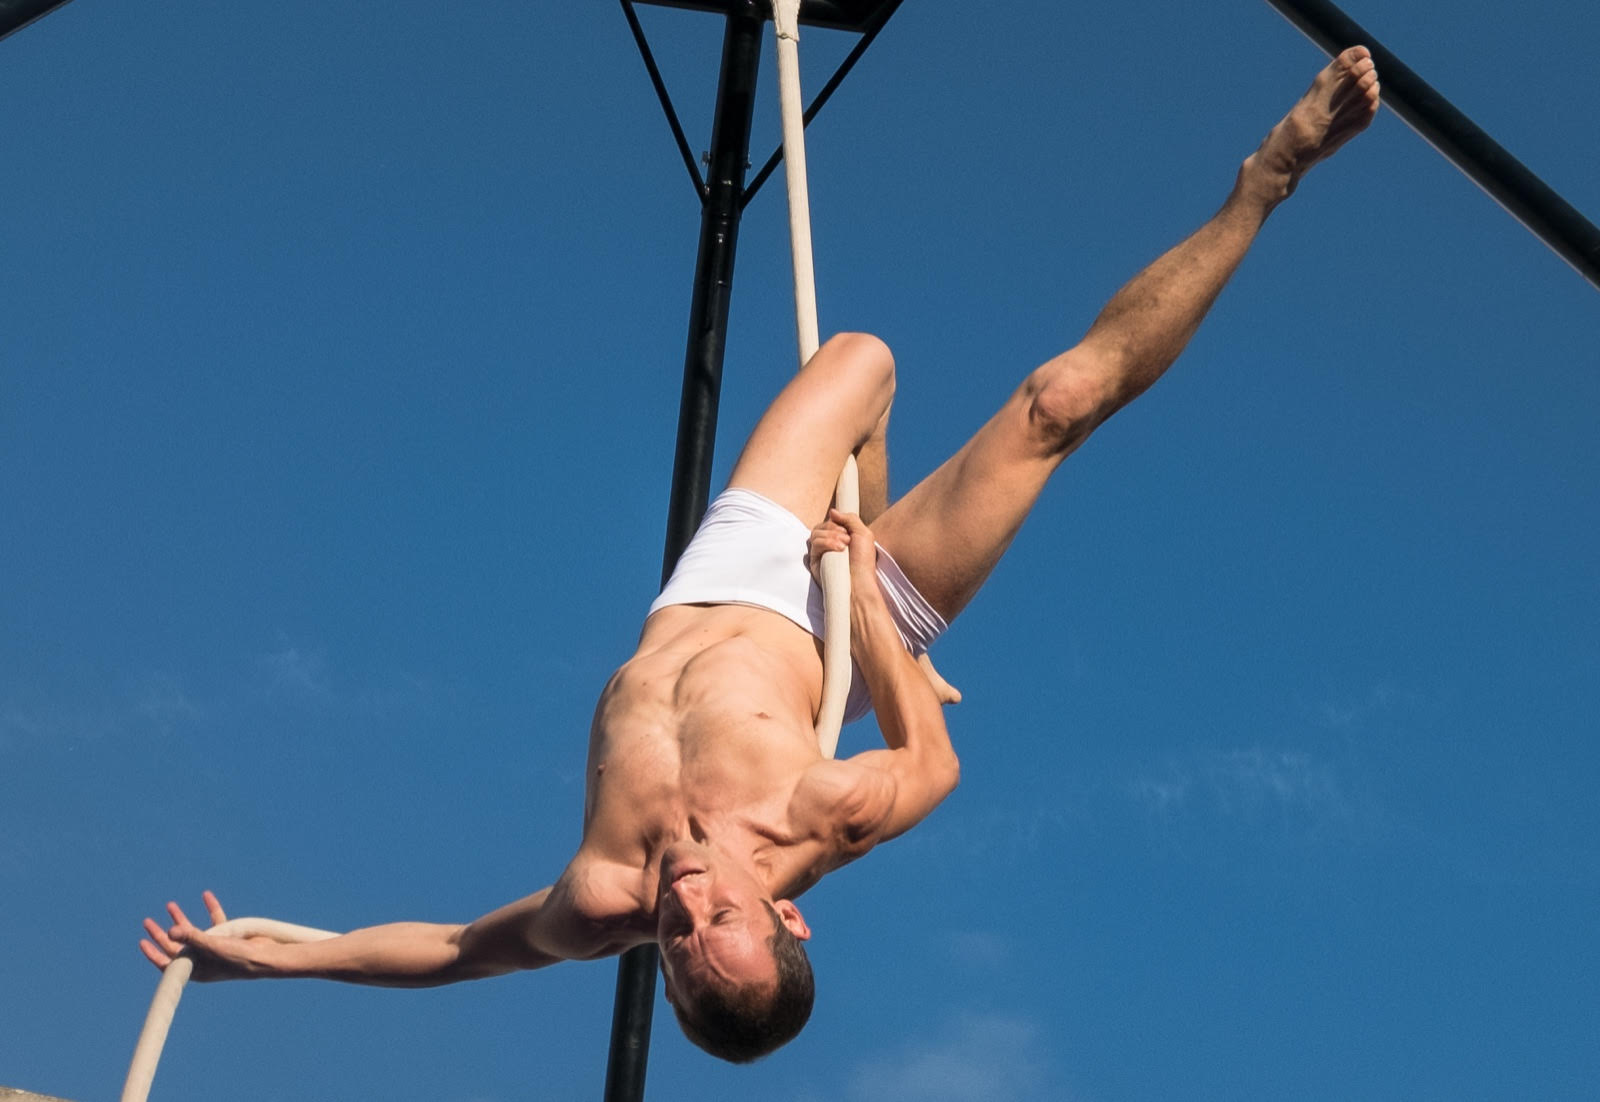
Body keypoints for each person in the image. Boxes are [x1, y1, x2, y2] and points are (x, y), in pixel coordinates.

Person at [140, 48, 1381, 1062]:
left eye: (677, 947)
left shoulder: (601, 898)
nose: (685, 905)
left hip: (729, 572)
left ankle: (870, 498)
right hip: (852, 612)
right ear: (787, 911)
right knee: (1049, 403)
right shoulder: (816, 815)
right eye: (719, 917)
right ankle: (1267, 178)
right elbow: (933, 763)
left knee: (861, 360)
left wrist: (276, 956)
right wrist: (873, 617)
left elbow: (457, 948)